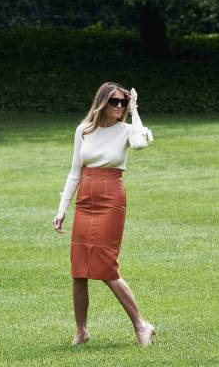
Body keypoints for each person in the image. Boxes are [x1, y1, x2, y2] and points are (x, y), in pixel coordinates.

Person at [52, 82, 155, 346]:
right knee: (78, 270)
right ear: (102, 103)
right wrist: (62, 209)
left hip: (111, 199)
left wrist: (135, 111)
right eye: (115, 102)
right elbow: (75, 171)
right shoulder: (83, 130)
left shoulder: (127, 130)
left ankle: (141, 325)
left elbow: (141, 143)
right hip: (86, 199)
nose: (119, 106)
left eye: (123, 102)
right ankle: (81, 331)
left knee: (106, 266)